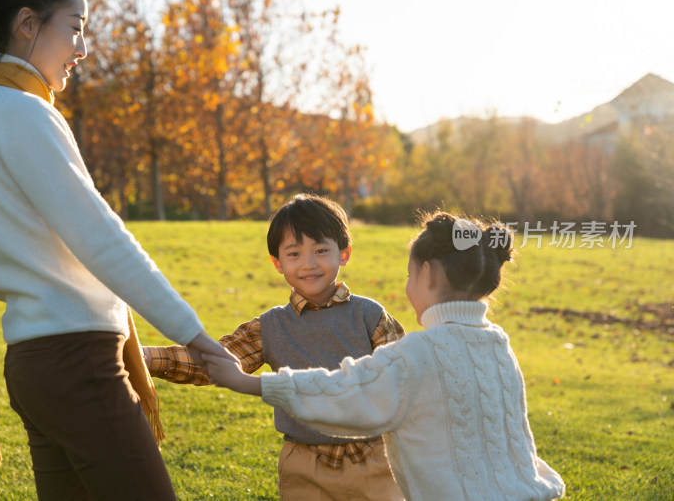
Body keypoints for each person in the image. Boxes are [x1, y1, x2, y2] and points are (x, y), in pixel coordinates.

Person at [0, 0, 232, 499]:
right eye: (74, 27)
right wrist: (195, 335)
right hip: (77, 361)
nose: (83, 47)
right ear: (27, 24)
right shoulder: (22, 112)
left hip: (33, 363)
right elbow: (101, 238)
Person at [204, 211, 567, 501]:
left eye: (410, 275)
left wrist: (251, 382)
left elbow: (344, 391)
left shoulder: (416, 354)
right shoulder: (497, 343)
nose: (408, 287)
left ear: (426, 273)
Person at [144, 193, 406, 500]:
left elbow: (403, 377)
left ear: (344, 253)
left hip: (375, 460)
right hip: (304, 464)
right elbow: (215, 360)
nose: (309, 263)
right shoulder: (269, 327)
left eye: (321, 250)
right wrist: (145, 357)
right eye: (294, 254)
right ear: (277, 263)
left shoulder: (370, 316)